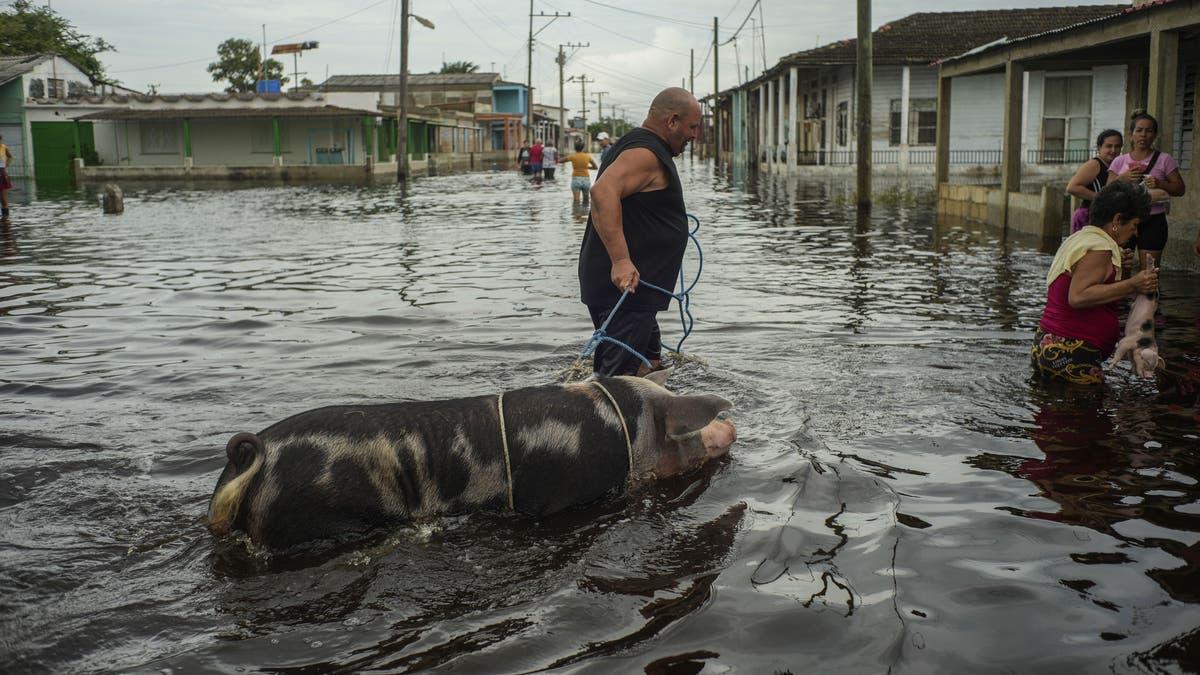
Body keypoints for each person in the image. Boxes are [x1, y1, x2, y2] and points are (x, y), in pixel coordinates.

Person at [577, 87, 701, 376]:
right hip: (624, 289)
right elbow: (602, 192)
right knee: (617, 383)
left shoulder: (636, 144)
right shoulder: (645, 153)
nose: (695, 135)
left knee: (650, 368)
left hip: (635, 289)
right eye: (692, 126)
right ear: (671, 121)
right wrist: (621, 260)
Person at [1031, 181, 1158, 385]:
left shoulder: (1081, 238)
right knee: (1087, 415)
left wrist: (1123, 271)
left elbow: (1100, 291)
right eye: (1134, 225)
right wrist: (1134, 284)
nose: (1136, 233)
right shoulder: (1100, 248)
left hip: (1050, 346)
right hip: (1071, 351)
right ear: (1117, 220)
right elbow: (1079, 296)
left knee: (1056, 414)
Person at [1106, 112, 1186, 268]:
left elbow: (1180, 189)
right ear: (1131, 134)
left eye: (1149, 131)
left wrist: (1159, 183)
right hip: (1124, 220)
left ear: (1155, 135)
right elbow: (1107, 191)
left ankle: (1148, 294)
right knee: (1120, 271)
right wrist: (1123, 178)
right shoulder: (1120, 161)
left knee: (1150, 272)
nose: (1143, 135)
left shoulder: (1164, 159)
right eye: (1139, 130)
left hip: (1153, 220)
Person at [1066, 129, 1122, 233]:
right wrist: (1100, 198)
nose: (1113, 150)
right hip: (1088, 216)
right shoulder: (1095, 164)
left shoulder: (1116, 166)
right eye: (1109, 146)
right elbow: (1072, 187)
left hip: (1104, 218)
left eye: (1117, 146)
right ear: (1099, 148)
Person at [561, 138, 598, 205]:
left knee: (576, 201)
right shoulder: (587, 156)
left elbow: (561, 161)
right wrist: (586, 167)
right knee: (586, 200)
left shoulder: (572, 156)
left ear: (575, 147)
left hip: (576, 179)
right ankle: (585, 214)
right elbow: (595, 167)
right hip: (586, 179)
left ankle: (577, 214)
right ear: (583, 147)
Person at [0, 135, 13, 219]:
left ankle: (5, 219)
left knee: (4, 200)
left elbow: (10, 157)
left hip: (1, 172)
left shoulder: (4, 147)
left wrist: (6, 165)